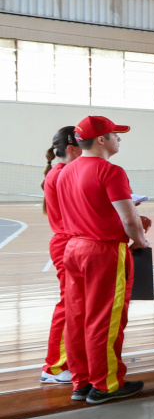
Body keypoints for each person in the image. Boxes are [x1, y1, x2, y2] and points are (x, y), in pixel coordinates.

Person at [58, 115, 150, 404]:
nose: (118, 138)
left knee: (77, 317)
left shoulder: (64, 172)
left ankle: (81, 381)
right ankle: (106, 384)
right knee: (106, 318)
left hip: (73, 248)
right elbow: (128, 217)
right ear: (101, 140)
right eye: (115, 134)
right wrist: (140, 241)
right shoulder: (110, 171)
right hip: (103, 251)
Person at [39, 126, 82, 385]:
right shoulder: (64, 173)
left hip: (68, 243)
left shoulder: (58, 172)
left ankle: (67, 360)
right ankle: (54, 367)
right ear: (71, 148)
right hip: (67, 244)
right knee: (68, 307)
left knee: (73, 306)